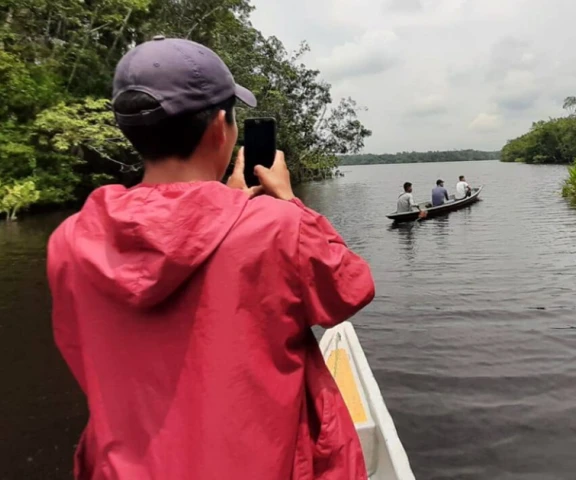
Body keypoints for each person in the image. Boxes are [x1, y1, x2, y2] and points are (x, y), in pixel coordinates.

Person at [47, 37, 374, 480]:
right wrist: (288, 201)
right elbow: (350, 290)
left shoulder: (70, 240)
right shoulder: (278, 227)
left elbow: (80, 348)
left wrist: (223, 204)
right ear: (221, 127)